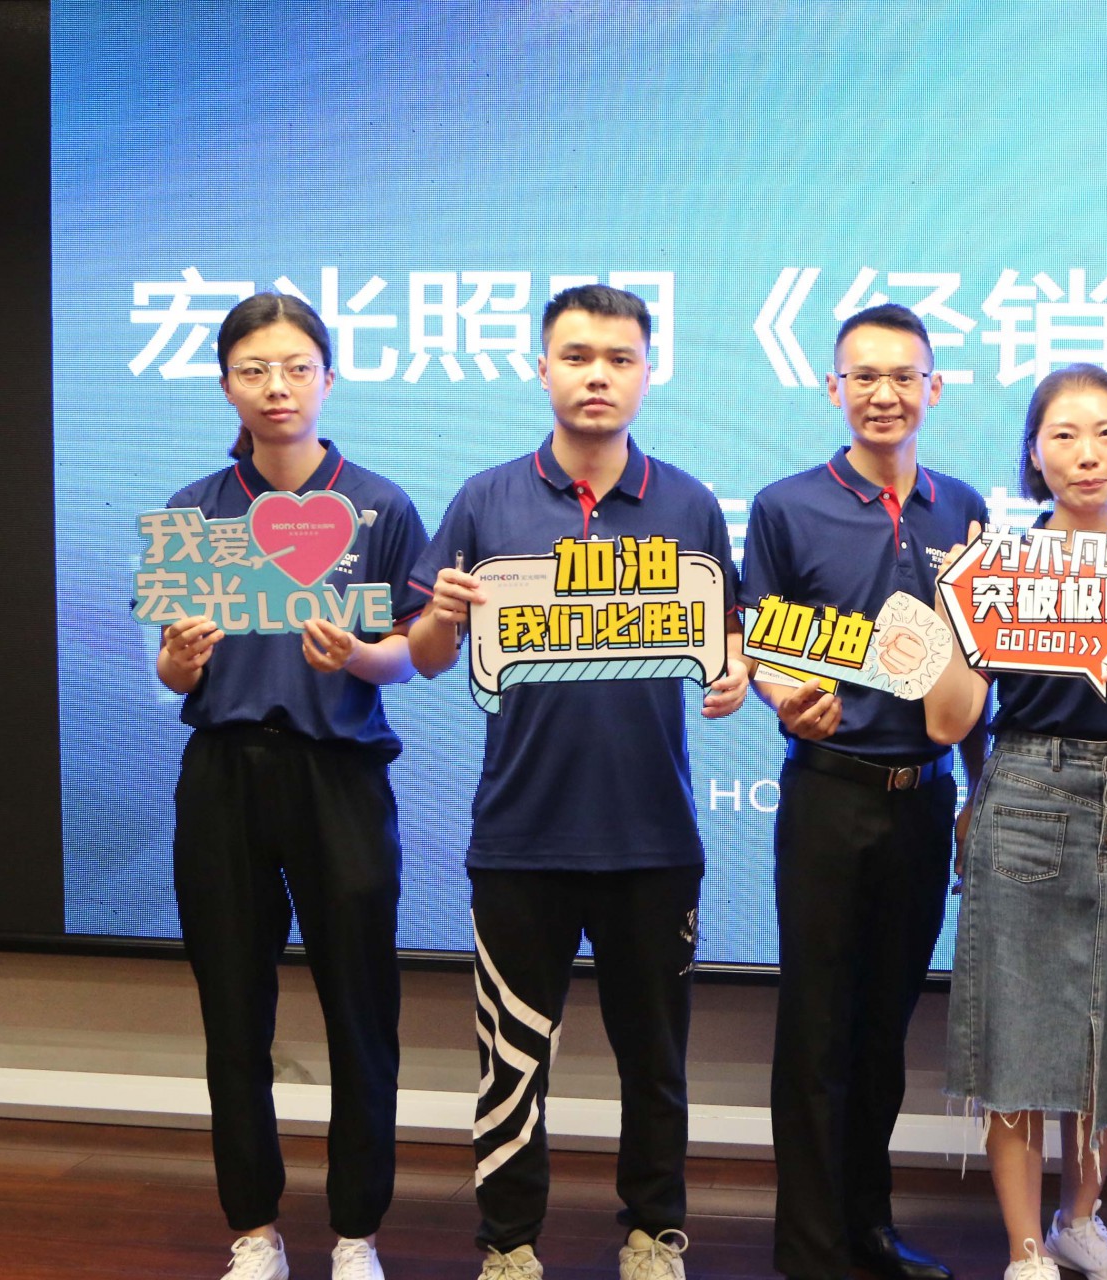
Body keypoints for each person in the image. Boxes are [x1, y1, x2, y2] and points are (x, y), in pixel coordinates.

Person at [405, 285, 750, 1280]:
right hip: (520, 833)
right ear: (542, 368)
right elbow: (426, 654)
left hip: (653, 835)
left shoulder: (688, 503)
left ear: (647, 371)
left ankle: (655, 1231)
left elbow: (726, 637)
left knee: (657, 1059)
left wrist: (733, 674)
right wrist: (445, 612)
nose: (598, 375)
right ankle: (509, 1243)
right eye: (577, 355)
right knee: (510, 1059)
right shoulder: (485, 499)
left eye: (618, 358)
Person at [156, 292, 427, 1280]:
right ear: (226, 384)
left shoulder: (381, 505)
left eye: (297, 367)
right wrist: (183, 657)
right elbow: (172, 671)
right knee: (234, 1011)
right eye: (254, 369)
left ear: (328, 377)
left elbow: (410, 655)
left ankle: (357, 1231)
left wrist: (358, 654)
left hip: (340, 775)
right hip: (224, 776)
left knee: (361, 1009)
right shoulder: (195, 508)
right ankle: (255, 1230)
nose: (277, 387)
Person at [923, 365, 1107, 1280]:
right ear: (1034, 453)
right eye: (1065, 435)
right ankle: (1025, 1251)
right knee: (1014, 1030)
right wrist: (957, 614)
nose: (1088, 455)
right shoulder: (1000, 563)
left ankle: (1078, 1221)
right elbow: (949, 722)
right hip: (1026, 795)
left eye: (1106, 433)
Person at [742, 303, 988, 1280]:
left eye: (904, 376)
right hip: (828, 794)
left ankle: (868, 1230)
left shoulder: (963, 508)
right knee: (816, 1030)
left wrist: (976, 798)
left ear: (934, 387)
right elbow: (762, 641)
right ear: (833, 388)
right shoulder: (785, 506)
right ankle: (809, 1250)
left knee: (884, 1029)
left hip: (922, 798)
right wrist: (783, 698)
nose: (884, 394)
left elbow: (978, 666)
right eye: (864, 376)